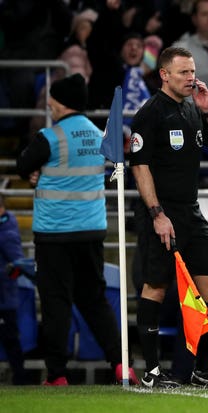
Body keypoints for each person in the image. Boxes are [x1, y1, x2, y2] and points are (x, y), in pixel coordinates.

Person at [128, 46, 208, 389]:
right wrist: (157, 214)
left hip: (191, 212)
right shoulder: (150, 113)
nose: (191, 78)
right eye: (183, 73)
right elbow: (140, 165)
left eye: (192, 72)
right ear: (164, 74)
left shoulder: (193, 109)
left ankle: (203, 369)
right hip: (161, 213)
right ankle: (150, 371)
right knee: (157, 287)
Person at [16, 73, 138, 386]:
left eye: (52, 101)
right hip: (92, 231)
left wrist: (36, 173)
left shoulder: (50, 136)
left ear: (60, 102)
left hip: (55, 234)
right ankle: (121, 365)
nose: (49, 106)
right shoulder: (100, 136)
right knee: (95, 301)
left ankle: (57, 374)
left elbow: (22, 165)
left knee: (56, 303)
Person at [0, 194, 27, 385]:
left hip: (4, 294)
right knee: (11, 339)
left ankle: (20, 378)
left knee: (10, 338)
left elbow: (17, 263)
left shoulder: (7, 230)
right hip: (6, 294)